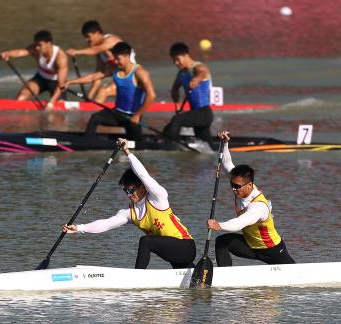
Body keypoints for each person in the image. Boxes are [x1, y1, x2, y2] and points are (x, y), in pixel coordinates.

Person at [62, 139, 196, 269]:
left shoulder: (158, 197)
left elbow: (144, 176)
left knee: (146, 241)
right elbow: (106, 224)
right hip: (171, 252)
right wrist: (79, 228)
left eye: (131, 190)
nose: (129, 194)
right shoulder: (129, 213)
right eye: (126, 191)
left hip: (185, 246)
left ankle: (138, 276)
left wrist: (126, 151)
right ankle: (195, 272)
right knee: (185, 275)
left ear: (142, 187)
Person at [206, 131, 295, 266]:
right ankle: (225, 277)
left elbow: (240, 223)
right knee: (222, 242)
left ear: (250, 185)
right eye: (232, 184)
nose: (233, 189)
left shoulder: (258, 206)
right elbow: (226, 164)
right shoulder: (239, 185)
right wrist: (224, 144)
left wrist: (219, 225)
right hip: (250, 246)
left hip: (272, 250)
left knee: (292, 272)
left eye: (237, 186)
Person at [62, 42, 155, 143]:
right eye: (114, 58)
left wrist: (137, 115)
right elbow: (93, 77)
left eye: (118, 59)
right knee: (95, 118)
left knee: (136, 143)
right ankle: (87, 142)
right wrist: (70, 82)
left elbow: (151, 95)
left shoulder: (140, 72)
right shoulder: (114, 69)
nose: (115, 61)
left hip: (132, 117)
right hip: (117, 113)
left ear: (127, 56)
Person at [66, 20, 134, 102]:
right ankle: (91, 110)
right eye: (85, 37)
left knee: (104, 91)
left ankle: (91, 113)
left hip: (132, 78)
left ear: (97, 33)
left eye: (88, 36)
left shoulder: (111, 40)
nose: (86, 40)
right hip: (120, 77)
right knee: (101, 91)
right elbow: (96, 77)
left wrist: (76, 52)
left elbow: (95, 50)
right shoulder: (100, 54)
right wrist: (88, 98)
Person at [0, 30, 68, 110]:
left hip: (57, 84)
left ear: (49, 44)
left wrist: (50, 104)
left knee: (59, 112)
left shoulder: (61, 57)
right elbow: (20, 52)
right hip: (40, 79)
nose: (37, 48)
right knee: (22, 96)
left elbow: (61, 84)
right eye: (36, 45)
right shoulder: (36, 49)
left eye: (40, 45)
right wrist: (7, 54)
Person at [163, 42, 214, 143]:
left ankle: (173, 146)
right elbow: (174, 89)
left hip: (204, 113)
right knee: (206, 145)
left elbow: (203, 72)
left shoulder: (198, 67)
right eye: (174, 60)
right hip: (195, 113)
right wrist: (177, 106)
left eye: (178, 59)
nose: (176, 63)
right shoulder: (181, 73)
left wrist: (196, 79)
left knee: (177, 120)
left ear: (186, 55)